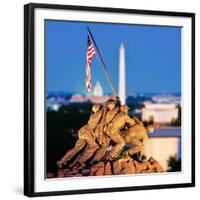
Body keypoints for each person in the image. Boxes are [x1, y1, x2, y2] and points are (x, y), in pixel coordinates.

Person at [57, 104, 103, 168]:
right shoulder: (97, 114)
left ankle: (62, 161)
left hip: (82, 131)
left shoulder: (93, 115)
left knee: (76, 148)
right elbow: (104, 110)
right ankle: (81, 161)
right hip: (87, 132)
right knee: (94, 146)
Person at [90, 100, 120, 164]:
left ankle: (99, 159)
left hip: (97, 132)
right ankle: (94, 161)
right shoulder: (108, 113)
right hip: (101, 132)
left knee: (102, 147)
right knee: (104, 147)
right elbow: (117, 109)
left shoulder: (96, 115)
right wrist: (117, 102)